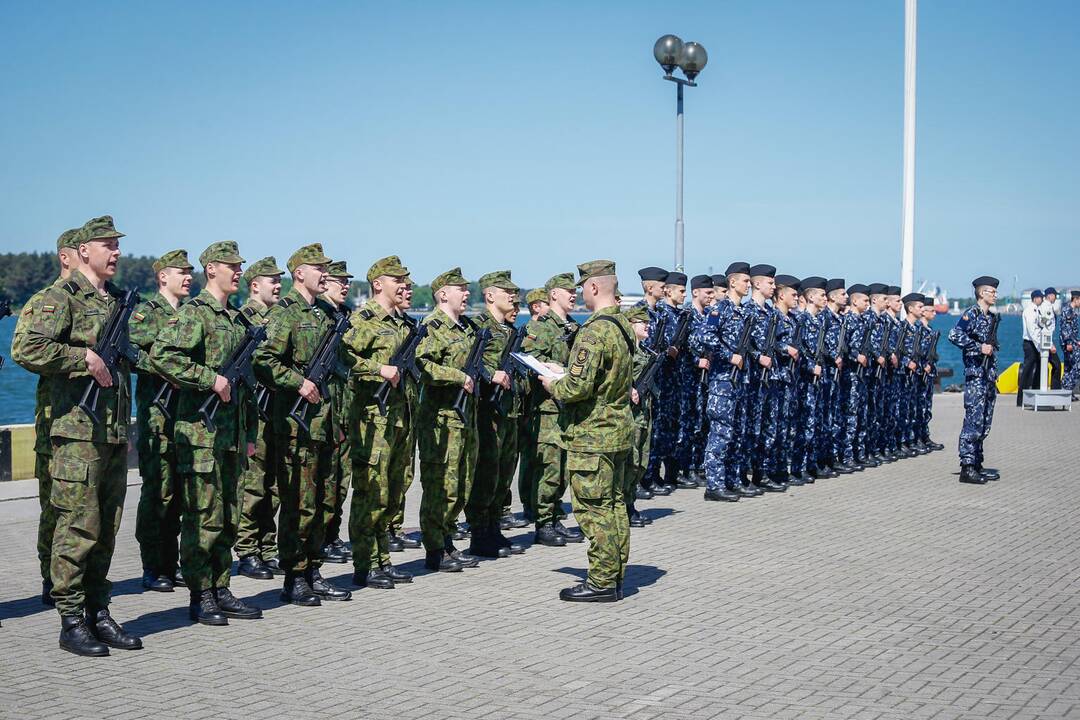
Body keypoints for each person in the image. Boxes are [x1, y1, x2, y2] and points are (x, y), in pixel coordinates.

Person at [13, 215, 143, 656]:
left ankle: (98, 611)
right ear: (84, 250)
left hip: (110, 433)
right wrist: (82, 356)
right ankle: (71, 620)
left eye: (117, 244)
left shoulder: (118, 302)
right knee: (76, 527)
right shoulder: (58, 298)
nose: (117, 252)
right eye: (108, 244)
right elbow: (25, 347)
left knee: (106, 527)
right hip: (74, 434)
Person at [150, 241, 264, 625]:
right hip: (201, 433)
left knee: (229, 515)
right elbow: (163, 355)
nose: (238, 272)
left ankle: (221, 586)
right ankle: (201, 595)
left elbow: (244, 386)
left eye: (240, 266)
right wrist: (207, 378)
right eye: (231, 266)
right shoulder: (196, 314)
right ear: (211, 269)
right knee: (203, 517)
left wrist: (248, 433)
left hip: (230, 436)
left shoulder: (235, 319)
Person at [254, 243, 352, 606]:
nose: (324, 273)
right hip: (296, 426)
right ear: (299, 273)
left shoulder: (325, 314)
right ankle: (294, 575)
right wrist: (298, 382)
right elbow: (263, 359)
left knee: (324, 501)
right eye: (318, 268)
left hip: (324, 423)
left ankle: (314, 569)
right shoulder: (286, 313)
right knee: (299, 503)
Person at [539, 260, 633, 603]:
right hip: (618, 429)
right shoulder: (621, 326)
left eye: (582, 288)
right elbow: (602, 378)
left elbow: (576, 389)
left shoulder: (594, 331)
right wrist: (564, 370)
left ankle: (601, 580)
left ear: (593, 288)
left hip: (593, 436)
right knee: (615, 505)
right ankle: (615, 573)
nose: (580, 294)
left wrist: (552, 382)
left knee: (594, 510)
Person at [11, 227, 82, 607]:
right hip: (55, 422)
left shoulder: (97, 301)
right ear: (67, 256)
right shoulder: (47, 300)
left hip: (86, 425)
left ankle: (67, 580)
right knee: (53, 507)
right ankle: (48, 576)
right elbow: (28, 349)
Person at [340, 256, 417, 589]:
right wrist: (377, 369)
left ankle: (382, 558)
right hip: (372, 419)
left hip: (400, 418)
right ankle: (364, 563)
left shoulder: (404, 323)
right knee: (371, 491)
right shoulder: (363, 320)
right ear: (377, 284)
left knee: (393, 491)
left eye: (405, 280)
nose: (404, 285)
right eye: (396, 279)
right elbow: (342, 358)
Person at [131, 249, 194, 593]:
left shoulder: (191, 314)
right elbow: (128, 351)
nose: (188, 277)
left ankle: (173, 562)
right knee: (158, 492)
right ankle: (153, 565)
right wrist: (163, 368)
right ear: (162, 277)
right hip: (158, 416)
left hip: (186, 416)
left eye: (190, 272)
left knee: (181, 493)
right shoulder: (147, 313)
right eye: (180, 272)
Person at [414, 267, 482, 573]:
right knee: (441, 484)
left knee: (462, 482)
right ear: (443, 293)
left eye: (467, 289)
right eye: (460, 289)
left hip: (465, 416)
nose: (466, 294)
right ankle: (435, 547)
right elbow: (421, 364)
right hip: (440, 419)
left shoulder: (466, 327)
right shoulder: (432, 326)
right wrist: (457, 376)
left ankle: (448, 540)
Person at [522, 273, 585, 546]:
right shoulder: (542, 327)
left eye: (575, 291)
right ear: (553, 295)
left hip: (567, 406)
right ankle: (543, 522)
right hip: (546, 407)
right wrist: (552, 368)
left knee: (562, 469)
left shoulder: (573, 326)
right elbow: (528, 358)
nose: (573, 295)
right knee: (548, 466)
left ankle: (556, 517)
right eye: (567, 291)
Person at [234, 257, 285, 580]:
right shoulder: (244, 319)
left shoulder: (279, 317)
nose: (278, 285)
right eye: (272, 280)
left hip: (278, 410)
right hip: (256, 411)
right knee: (254, 485)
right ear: (255, 286)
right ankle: (247, 550)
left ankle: (268, 547)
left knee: (275, 486)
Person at [690, 262, 754, 501]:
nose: (748, 285)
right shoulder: (720, 310)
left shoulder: (744, 312)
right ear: (733, 282)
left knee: (736, 433)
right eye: (745, 281)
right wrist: (729, 355)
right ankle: (714, 486)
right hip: (722, 382)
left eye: (749, 281)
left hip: (740, 381)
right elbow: (704, 336)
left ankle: (732, 480)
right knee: (720, 434)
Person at [948, 276, 1002, 484]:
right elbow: (954, 334)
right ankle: (967, 466)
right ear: (981, 293)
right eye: (991, 292)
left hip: (987, 376)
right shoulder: (972, 314)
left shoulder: (990, 318)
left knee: (984, 421)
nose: (995, 295)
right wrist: (978, 347)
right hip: (976, 376)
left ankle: (977, 462)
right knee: (974, 420)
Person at [319, 260, 354, 565]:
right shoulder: (321, 315)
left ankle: (332, 535)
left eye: (347, 282)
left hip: (344, 409)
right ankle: (323, 538)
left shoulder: (343, 315)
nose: (344, 286)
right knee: (327, 479)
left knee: (341, 480)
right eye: (338, 281)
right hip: (327, 409)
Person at [645, 272, 690, 493]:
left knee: (670, 430)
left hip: (673, 379)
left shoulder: (675, 315)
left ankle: (665, 474)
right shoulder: (651, 314)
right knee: (656, 430)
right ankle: (649, 476)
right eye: (680, 290)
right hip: (657, 378)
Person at [677, 275, 715, 486]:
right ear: (696, 293)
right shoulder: (687, 315)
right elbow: (680, 346)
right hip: (689, 379)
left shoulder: (711, 315)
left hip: (706, 379)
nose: (711, 297)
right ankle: (685, 468)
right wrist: (695, 360)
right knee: (688, 425)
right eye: (708, 293)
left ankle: (699, 466)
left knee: (702, 423)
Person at [1018, 289, 1052, 404]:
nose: (1042, 299)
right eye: (1040, 297)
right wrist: (1039, 346)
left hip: (1035, 343)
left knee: (1038, 368)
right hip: (1030, 344)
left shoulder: (1036, 310)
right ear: (1035, 298)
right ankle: (1021, 399)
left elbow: (1041, 325)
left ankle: (1035, 395)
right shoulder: (1029, 311)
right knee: (1027, 370)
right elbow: (1032, 331)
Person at [1061, 290, 1080, 398]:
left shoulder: (1073, 311)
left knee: (1068, 368)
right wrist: (1069, 342)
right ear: (1076, 299)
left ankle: (1066, 392)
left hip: (1073, 343)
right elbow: (1066, 328)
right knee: (1077, 366)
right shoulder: (1069, 311)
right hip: (1070, 344)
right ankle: (1068, 389)